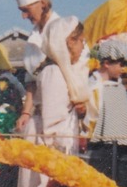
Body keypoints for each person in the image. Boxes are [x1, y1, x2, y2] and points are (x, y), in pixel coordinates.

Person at [84, 38, 127, 187]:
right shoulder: (95, 86)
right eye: (121, 64)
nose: (123, 69)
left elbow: (126, 121)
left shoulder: (119, 87)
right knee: (105, 182)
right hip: (104, 146)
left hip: (125, 146)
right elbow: (91, 115)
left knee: (123, 183)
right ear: (107, 63)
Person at [35, 15, 90, 156]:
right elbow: (52, 123)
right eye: (81, 41)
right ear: (70, 41)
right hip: (52, 148)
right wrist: (57, 156)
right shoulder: (53, 72)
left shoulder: (62, 71)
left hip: (63, 141)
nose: (83, 47)